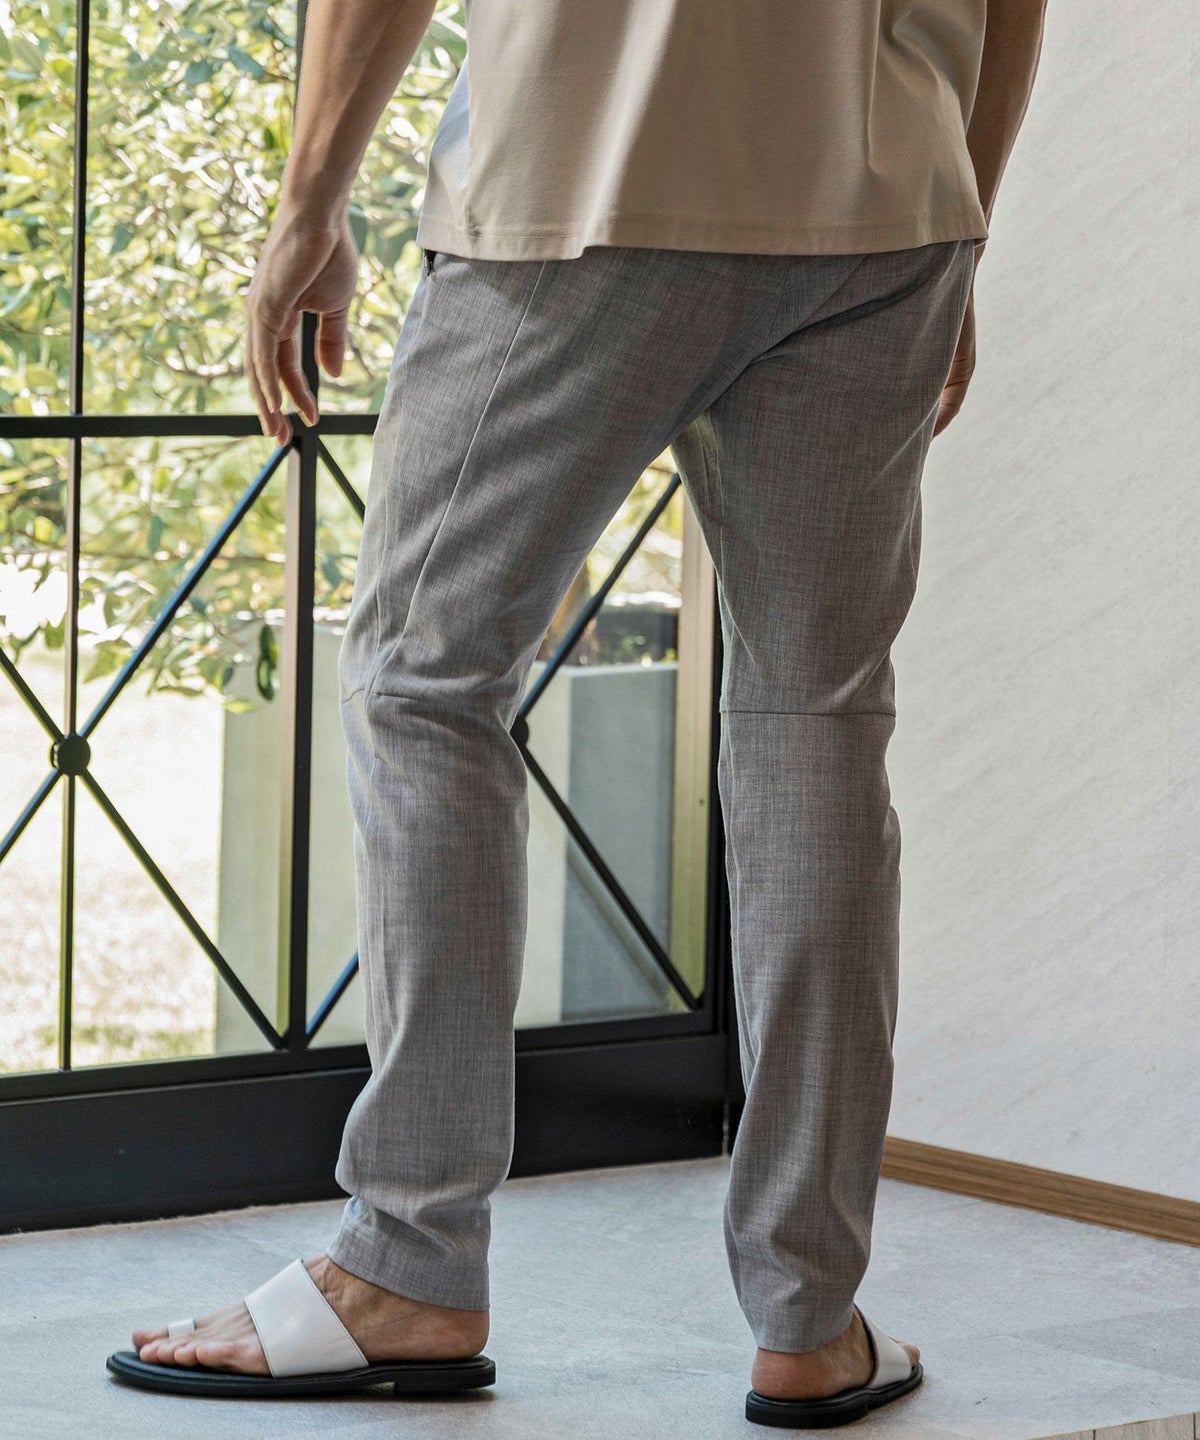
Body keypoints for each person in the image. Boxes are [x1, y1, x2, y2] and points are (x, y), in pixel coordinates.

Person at [108, 0, 1048, 1426]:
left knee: (424, 682)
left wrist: (311, 201)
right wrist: (957, 212)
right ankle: (810, 1316)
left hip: (586, 178)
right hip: (886, 207)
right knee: (817, 727)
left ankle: (411, 1259)